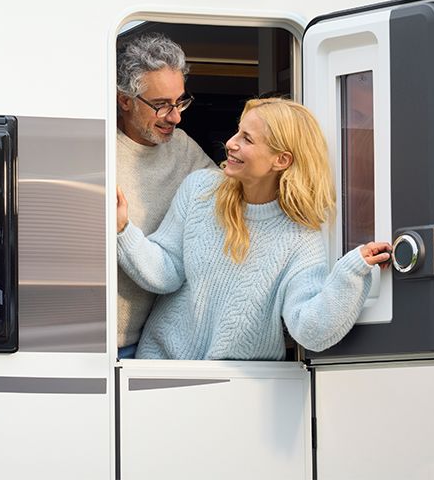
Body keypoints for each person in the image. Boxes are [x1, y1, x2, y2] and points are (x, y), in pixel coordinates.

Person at [116, 97, 391, 360]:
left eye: (247, 139)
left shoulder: (299, 240)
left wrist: (351, 271)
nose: (230, 143)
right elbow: (166, 272)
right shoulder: (200, 189)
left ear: (281, 160)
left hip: (237, 382)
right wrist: (122, 229)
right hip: (159, 368)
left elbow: (310, 330)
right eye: (238, 132)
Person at [115, 33, 216, 359]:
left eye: (180, 101)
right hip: (101, 343)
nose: (175, 117)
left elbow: (232, 201)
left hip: (158, 346)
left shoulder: (184, 149)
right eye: (161, 105)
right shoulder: (100, 151)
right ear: (125, 100)